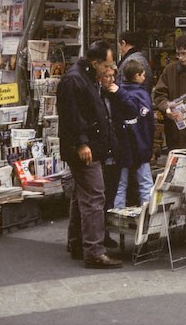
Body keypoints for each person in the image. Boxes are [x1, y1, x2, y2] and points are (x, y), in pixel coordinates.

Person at [57, 40, 122, 269]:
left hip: (91, 146)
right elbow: (72, 116)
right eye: (107, 65)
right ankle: (94, 251)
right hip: (85, 149)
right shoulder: (75, 80)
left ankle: (77, 243)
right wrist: (82, 143)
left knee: (81, 195)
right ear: (95, 63)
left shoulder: (86, 78)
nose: (110, 69)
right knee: (94, 196)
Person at [107, 59, 155, 208]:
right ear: (136, 76)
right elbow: (148, 122)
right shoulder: (141, 94)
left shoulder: (116, 92)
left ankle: (117, 217)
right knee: (145, 183)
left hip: (122, 144)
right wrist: (150, 146)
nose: (145, 78)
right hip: (140, 144)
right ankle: (147, 220)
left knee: (121, 185)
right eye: (142, 75)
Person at [152, 34, 186, 151]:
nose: (181, 58)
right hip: (174, 131)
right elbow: (159, 95)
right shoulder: (170, 70)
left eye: (184, 53)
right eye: (178, 54)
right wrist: (167, 109)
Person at [97, 63, 121, 249]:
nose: (111, 80)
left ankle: (105, 233)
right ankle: (99, 234)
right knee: (100, 195)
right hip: (102, 151)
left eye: (113, 76)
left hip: (115, 149)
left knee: (110, 194)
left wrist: (119, 94)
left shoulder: (115, 95)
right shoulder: (96, 96)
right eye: (108, 76)